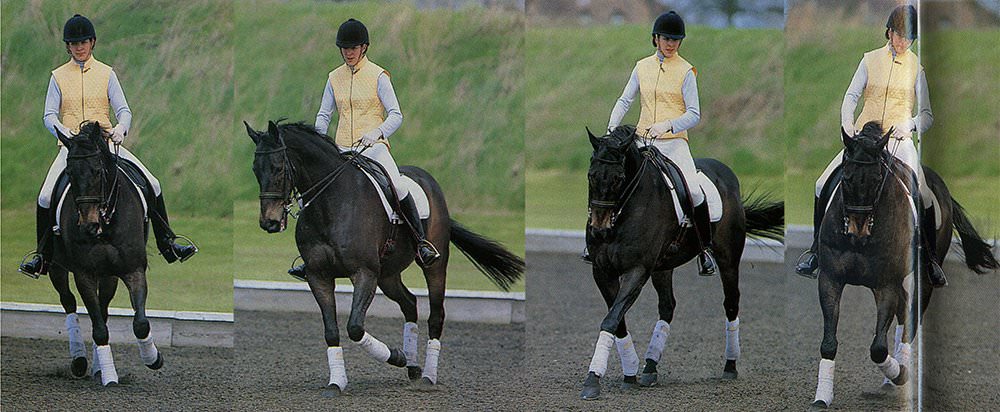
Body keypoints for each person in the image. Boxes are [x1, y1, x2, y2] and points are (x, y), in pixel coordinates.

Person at [19, 14, 197, 277]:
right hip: (72, 150)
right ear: (68, 46)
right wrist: (67, 134)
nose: (79, 47)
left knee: (154, 182)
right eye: (74, 43)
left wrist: (120, 129)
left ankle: (168, 243)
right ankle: (42, 257)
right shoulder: (58, 77)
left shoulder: (106, 73)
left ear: (92, 42)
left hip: (104, 144)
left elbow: (124, 110)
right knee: (45, 196)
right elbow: (49, 115)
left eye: (83, 42)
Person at [794, 5, 945, 286]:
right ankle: (815, 252)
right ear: (889, 32)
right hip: (865, 140)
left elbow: (927, 116)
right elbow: (851, 95)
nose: (903, 42)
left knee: (923, 193)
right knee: (821, 183)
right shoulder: (869, 60)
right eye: (899, 35)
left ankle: (930, 260)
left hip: (898, 141)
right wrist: (847, 122)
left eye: (909, 38)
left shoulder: (917, 69)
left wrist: (910, 125)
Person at [287, 18, 439, 281]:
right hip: (341, 150)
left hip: (373, 148)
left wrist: (377, 133)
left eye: (353, 48)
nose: (348, 52)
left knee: (398, 185)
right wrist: (320, 142)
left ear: (364, 47)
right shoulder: (334, 78)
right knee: (310, 193)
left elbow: (396, 114)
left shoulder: (378, 76)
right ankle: (310, 256)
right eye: (344, 48)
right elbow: (324, 114)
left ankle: (421, 243)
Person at [592, 10, 716, 275]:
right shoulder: (641, 67)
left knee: (694, 192)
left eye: (675, 40)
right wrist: (611, 130)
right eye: (666, 38)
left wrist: (668, 125)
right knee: (609, 180)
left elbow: (694, 114)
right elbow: (625, 100)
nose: (671, 44)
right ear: (656, 38)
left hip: (674, 143)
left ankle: (704, 249)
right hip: (642, 141)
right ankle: (597, 241)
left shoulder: (686, 71)